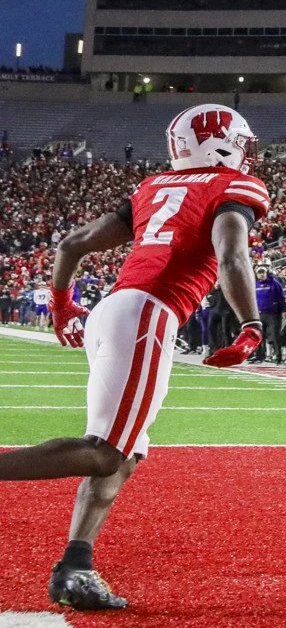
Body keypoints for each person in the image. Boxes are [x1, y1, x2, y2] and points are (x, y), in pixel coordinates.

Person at [0, 103, 269, 609]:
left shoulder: (153, 188)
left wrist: (61, 304)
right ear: (221, 142)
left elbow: (73, 244)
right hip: (147, 314)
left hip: (116, 311)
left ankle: (75, 568)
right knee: (105, 451)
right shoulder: (232, 188)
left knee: (121, 458)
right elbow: (232, 254)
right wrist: (251, 322)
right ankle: (72, 565)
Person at [253, 265, 286, 364]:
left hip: (273, 314)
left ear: (266, 273)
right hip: (260, 314)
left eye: (263, 272)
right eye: (259, 273)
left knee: (275, 336)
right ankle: (259, 356)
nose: (261, 274)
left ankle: (278, 357)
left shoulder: (274, 283)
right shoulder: (256, 285)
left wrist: (284, 310)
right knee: (259, 336)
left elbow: (282, 297)